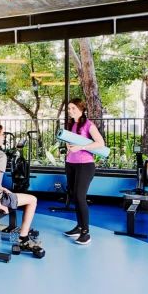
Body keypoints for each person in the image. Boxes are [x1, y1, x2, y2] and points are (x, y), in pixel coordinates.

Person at [62, 98, 105, 245]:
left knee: (80, 197)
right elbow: (71, 143)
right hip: (71, 163)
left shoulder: (88, 124)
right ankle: (79, 227)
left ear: (81, 109)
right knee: (74, 196)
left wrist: (81, 147)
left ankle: (86, 232)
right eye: (69, 108)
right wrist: (69, 146)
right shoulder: (71, 124)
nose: (70, 111)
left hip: (85, 165)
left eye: (73, 108)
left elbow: (100, 143)